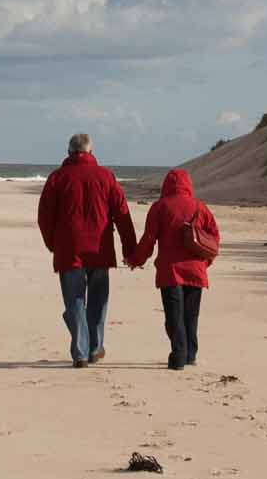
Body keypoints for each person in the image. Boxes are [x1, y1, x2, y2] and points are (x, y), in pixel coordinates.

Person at [35, 132, 137, 369]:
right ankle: (93, 347)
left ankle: (81, 352)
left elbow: (44, 217)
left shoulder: (57, 178)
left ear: (69, 152)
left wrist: (53, 244)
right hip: (99, 250)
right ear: (91, 152)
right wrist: (130, 250)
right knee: (98, 300)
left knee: (75, 301)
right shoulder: (106, 177)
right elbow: (122, 215)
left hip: (69, 249)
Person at [126, 166, 220, 370]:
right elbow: (213, 239)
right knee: (190, 315)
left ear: (166, 185)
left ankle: (178, 355)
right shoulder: (200, 207)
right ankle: (190, 354)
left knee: (174, 317)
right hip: (196, 271)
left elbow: (148, 241)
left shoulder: (160, 207)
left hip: (170, 271)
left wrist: (136, 260)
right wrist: (205, 263)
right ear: (188, 185)